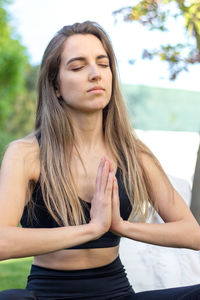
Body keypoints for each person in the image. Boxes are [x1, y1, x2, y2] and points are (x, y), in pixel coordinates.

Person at [0, 21, 199, 300]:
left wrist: (121, 226)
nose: (95, 74)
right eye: (78, 67)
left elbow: (192, 233)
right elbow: (2, 241)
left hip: (116, 292)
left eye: (103, 64)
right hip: (48, 294)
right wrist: (91, 229)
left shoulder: (134, 154)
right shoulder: (26, 154)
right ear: (56, 86)